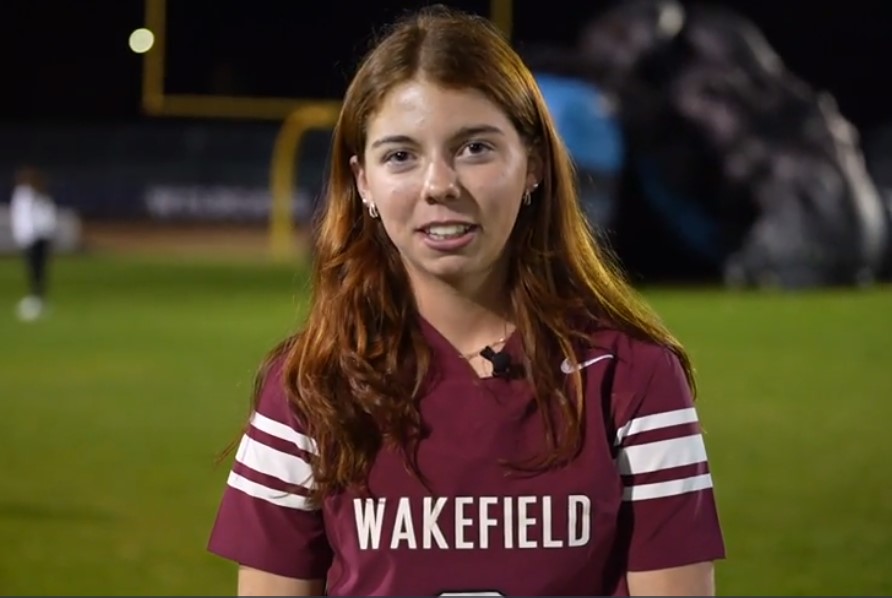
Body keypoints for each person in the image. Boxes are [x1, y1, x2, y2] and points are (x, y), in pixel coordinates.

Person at [207, 5, 726, 596]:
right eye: (401, 155)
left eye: (475, 148)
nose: (440, 185)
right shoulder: (311, 386)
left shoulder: (631, 379)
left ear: (532, 164)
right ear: (363, 183)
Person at [10, 166, 57, 321]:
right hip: (30, 237)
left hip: (39, 237)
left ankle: (38, 298)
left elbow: (46, 216)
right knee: (33, 268)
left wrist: (47, 233)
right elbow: (21, 217)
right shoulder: (23, 195)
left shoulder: (40, 195)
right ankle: (35, 297)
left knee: (39, 269)